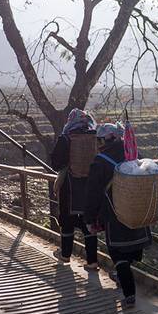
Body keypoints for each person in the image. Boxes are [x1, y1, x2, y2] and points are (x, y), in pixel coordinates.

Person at [84, 122, 152, 308]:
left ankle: (129, 292)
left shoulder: (100, 161)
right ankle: (122, 278)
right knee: (130, 251)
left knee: (119, 254)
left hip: (114, 213)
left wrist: (90, 218)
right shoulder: (134, 154)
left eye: (99, 139)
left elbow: (93, 193)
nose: (98, 143)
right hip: (137, 212)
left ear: (107, 139)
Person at [51, 108, 99, 270]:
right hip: (91, 187)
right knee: (89, 222)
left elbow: (56, 163)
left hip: (70, 187)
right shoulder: (96, 136)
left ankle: (65, 255)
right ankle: (92, 261)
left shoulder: (66, 137)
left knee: (67, 221)